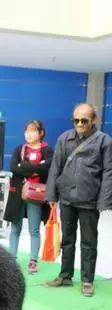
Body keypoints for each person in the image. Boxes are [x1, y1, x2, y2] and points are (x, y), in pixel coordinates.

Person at [45, 103, 112, 297]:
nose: (80, 124)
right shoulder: (64, 139)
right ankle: (65, 275)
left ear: (94, 120)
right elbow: (55, 168)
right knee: (67, 239)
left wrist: (104, 201)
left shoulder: (104, 141)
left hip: (89, 200)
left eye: (84, 120)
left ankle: (87, 280)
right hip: (66, 198)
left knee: (89, 242)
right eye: (76, 120)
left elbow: (108, 172)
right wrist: (51, 195)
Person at [3, 120, 53, 273]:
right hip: (18, 193)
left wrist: (23, 166)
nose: (29, 134)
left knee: (34, 229)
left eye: (33, 131)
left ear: (41, 133)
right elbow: (13, 167)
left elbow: (47, 167)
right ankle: (11, 260)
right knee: (15, 228)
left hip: (36, 194)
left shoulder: (48, 150)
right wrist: (35, 169)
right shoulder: (19, 149)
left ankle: (33, 261)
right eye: (27, 131)